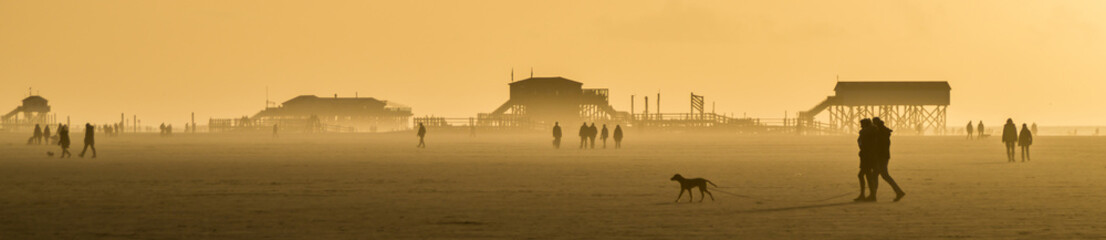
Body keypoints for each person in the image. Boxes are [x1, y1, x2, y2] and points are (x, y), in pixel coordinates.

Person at [866, 117, 905, 202]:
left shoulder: (880, 133)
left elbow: (879, 146)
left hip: (881, 156)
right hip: (884, 156)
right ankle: (873, 195)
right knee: (876, 175)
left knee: (884, 175)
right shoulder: (883, 132)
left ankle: (898, 192)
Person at [854, 118, 875, 202]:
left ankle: (867, 195)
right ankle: (870, 195)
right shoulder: (871, 132)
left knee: (863, 175)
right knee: (867, 175)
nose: (860, 126)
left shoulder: (865, 133)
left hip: (866, 157)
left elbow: (863, 144)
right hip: (868, 156)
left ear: (866, 124)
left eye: (862, 124)